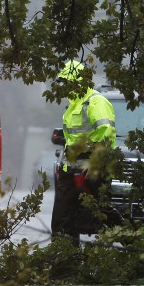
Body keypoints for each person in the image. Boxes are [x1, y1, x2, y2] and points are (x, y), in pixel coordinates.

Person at [50, 60, 117, 245]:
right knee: (62, 223)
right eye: (63, 82)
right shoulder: (72, 105)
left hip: (90, 172)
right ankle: (64, 263)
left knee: (100, 220)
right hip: (70, 171)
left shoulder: (95, 101)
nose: (65, 87)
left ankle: (96, 261)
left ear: (78, 81)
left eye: (68, 82)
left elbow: (106, 132)